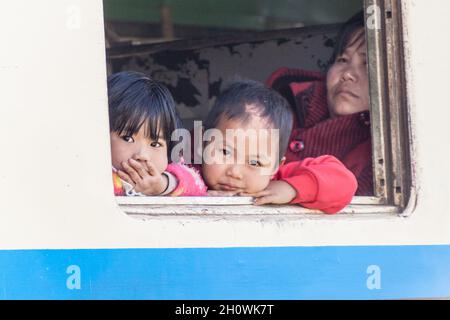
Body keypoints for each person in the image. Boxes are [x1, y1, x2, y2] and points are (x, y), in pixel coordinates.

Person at [192, 80, 358, 214]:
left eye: (255, 163)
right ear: (203, 143)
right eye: (225, 152)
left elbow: (345, 182)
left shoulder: (277, 180)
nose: (235, 172)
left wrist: (291, 189)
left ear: (275, 167)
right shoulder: (186, 174)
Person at [266, 11, 372, 196]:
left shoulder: (381, 155)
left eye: (367, 64)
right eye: (343, 60)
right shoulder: (281, 105)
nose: (347, 73)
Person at [108, 71, 207, 197]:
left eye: (155, 144)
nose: (141, 155)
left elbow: (197, 186)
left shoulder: (168, 177)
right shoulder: (94, 175)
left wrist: (163, 185)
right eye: (127, 138)